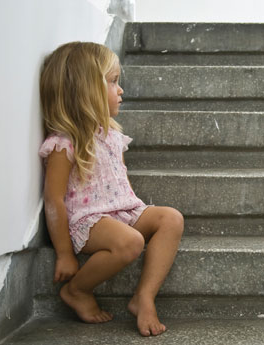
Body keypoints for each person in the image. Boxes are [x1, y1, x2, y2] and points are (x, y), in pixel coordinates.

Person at [38, 42, 183, 337]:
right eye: (113, 81)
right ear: (86, 89)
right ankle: (77, 290)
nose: (121, 90)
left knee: (172, 218)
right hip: (88, 221)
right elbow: (53, 199)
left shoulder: (112, 135)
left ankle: (144, 296)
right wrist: (65, 253)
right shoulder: (64, 142)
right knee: (129, 242)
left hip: (124, 211)